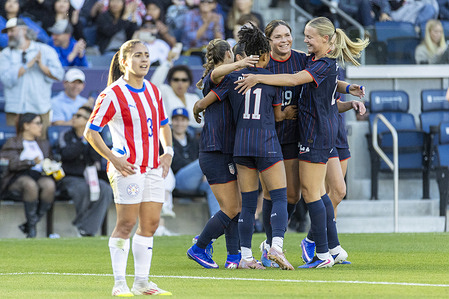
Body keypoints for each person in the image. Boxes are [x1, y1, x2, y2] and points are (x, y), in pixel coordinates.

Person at [235, 16, 369, 268]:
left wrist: (258, 79)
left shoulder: (306, 60)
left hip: (311, 133)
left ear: (325, 39)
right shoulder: (266, 62)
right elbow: (323, 81)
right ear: (268, 41)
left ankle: (321, 249)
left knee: (317, 193)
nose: (288, 40)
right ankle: (292, 246)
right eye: (278, 37)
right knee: (292, 194)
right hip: (277, 137)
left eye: (290, 35)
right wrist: (348, 88)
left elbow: (300, 80)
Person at [198, 25, 299, 270]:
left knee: (248, 203)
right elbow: (276, 116)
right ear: (264, 56)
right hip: (266, 142)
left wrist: (197, 107)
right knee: (278, 197)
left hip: (241, 146)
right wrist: (286, 114)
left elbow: (207, 97)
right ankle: (275, 245)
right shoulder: (271, 82)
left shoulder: (232, 79)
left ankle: (245, 256)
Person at [84, 39, 172, 296]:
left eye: (146, 55)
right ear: (124, 62)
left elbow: (163, 124)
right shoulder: (112, 93)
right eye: (137, 56)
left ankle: (142, 283)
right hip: (128, 168)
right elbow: (91, 132)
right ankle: (119, 283)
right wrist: (114, 158)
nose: (144, 60)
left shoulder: (154, 91)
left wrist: (168, 152)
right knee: (126, 224)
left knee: (151, 223)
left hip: (154, 167)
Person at [187, 39, 258, 269]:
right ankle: (200, 246)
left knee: (234, 206)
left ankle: (233, 257)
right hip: (214, 150)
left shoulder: (229, 80)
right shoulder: (217, 77)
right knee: (231, 208)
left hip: (226, 150)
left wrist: (199, 106)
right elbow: (217, 73)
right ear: (229, 54)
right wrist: (242, 64)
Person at [0, 18, 65, 135]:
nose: (9, 35)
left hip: (39, 109)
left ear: (23, 30)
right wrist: (27, 65)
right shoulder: (5, 54)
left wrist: (42, 66)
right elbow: (6, 79)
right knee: (14, 147)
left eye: (12, 31)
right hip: (15, 110)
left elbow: (59, 75)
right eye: (7, 32)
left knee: (42, 147)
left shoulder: (45, 50)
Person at [57, 106, 113, 236]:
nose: (74, 118)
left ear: (88, 120)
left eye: (78, 116)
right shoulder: (65, 134)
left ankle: (86, 229)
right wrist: (83, 141)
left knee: (106, 189)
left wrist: (90, 138)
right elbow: (66, 154)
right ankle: (83, 227)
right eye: (75, 115)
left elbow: (96, 157)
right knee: (82, 189)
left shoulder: (95, 136)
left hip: (90, 176)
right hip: (70, 177)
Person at [0, 113, 56, 238]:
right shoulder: (13, 142)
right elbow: (10, 164)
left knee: (49, 185)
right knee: (30, 185)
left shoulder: (44, 143)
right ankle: (32, 229)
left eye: (41, 123)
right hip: (17, 177)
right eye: (37, 123)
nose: (41, 126)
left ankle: (31, 223)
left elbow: (49, 160)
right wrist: (30, 162)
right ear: (26, 125)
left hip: (39, 175)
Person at [170, 107, 220, 217]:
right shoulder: (167, 140)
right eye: (176, 120)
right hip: (178, 180)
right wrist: (202, 170)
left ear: (187, 122)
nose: (179, 123)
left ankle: (216, 222)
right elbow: (174, 163)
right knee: (207, 158)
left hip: (197, 180)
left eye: (182, 120)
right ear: (172, 122)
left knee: (213, 184)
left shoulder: (192, 140)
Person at [151, 61, 202, 128]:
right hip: (172, 134)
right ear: (170, 82)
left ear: (189, 82)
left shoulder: (194, 98)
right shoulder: (166, 92)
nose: (180, 83)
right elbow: (154, 85)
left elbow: (201, 122)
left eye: (184, 80)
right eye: (176, 79)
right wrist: (167, 62)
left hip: (194, 136)